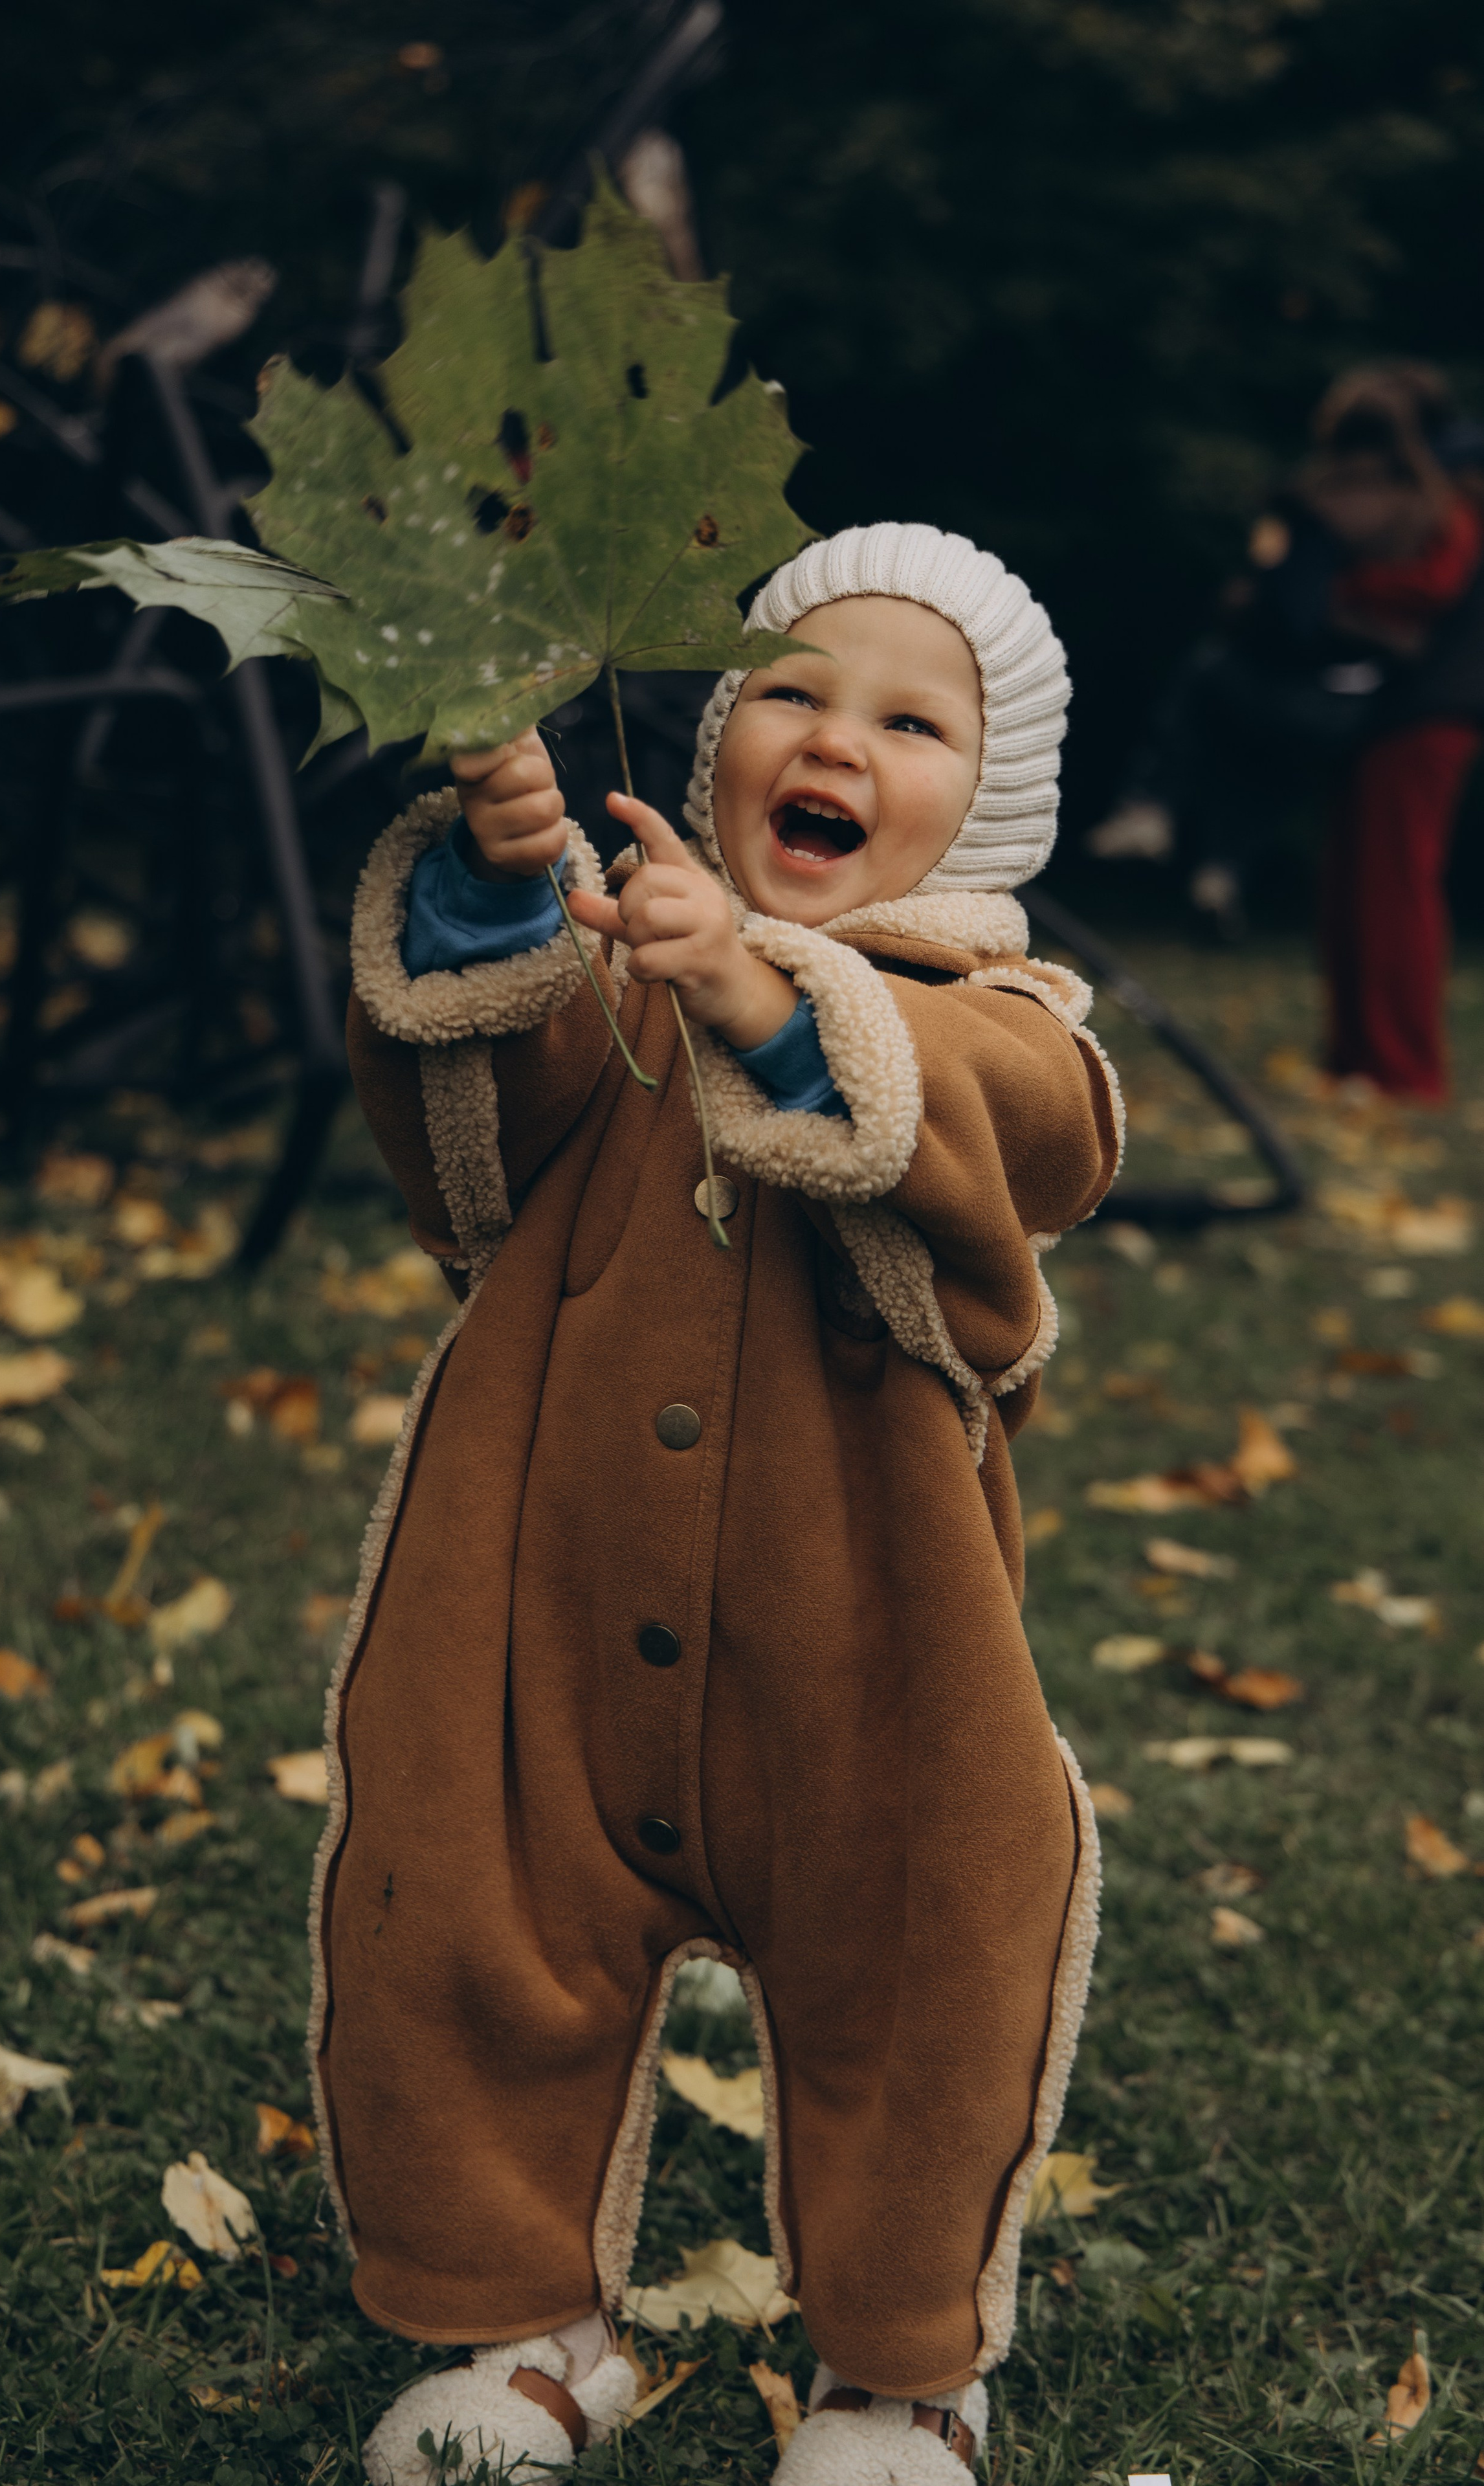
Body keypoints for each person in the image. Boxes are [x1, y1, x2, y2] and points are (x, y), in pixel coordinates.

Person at [311, 523, 1122, 2486]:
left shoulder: (994, 1024)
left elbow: (1012, 1134)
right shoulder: (629, 971)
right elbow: (473, 1161)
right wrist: (512, 901)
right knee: (467, 1915)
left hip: (866, 1646)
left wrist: (763, 989)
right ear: (713, 736)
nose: (832, 736)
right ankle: (525, 2326)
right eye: (787, 687)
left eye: (908, 718)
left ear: (983, 796)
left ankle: (900, 2370)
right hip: (542, 1600)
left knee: (920, 1959)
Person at [1089, 363, 1484, 1099]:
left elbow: (1431, 587)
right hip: (1382, 708)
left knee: (1394, 882)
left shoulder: (1448, 498)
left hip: (1429, 710)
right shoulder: (1411, 490)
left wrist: (1320, 596)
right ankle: (1353, 1058)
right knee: (1349, 882)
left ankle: (1403, 1069)